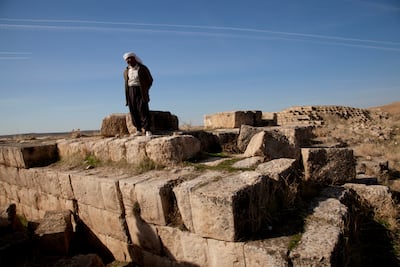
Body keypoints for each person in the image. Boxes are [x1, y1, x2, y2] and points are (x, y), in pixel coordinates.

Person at [123, 51, 153, 136]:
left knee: (143, 109)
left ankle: (147, 130)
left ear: (135, 59)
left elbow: (150, 80)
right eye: (127, 60)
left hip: (140, 90)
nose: (128, 61)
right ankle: (138, 130)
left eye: (130, 58)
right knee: (133, 110)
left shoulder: (142, 68)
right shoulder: (126, 71)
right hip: (130, 91)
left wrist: (145, 89)